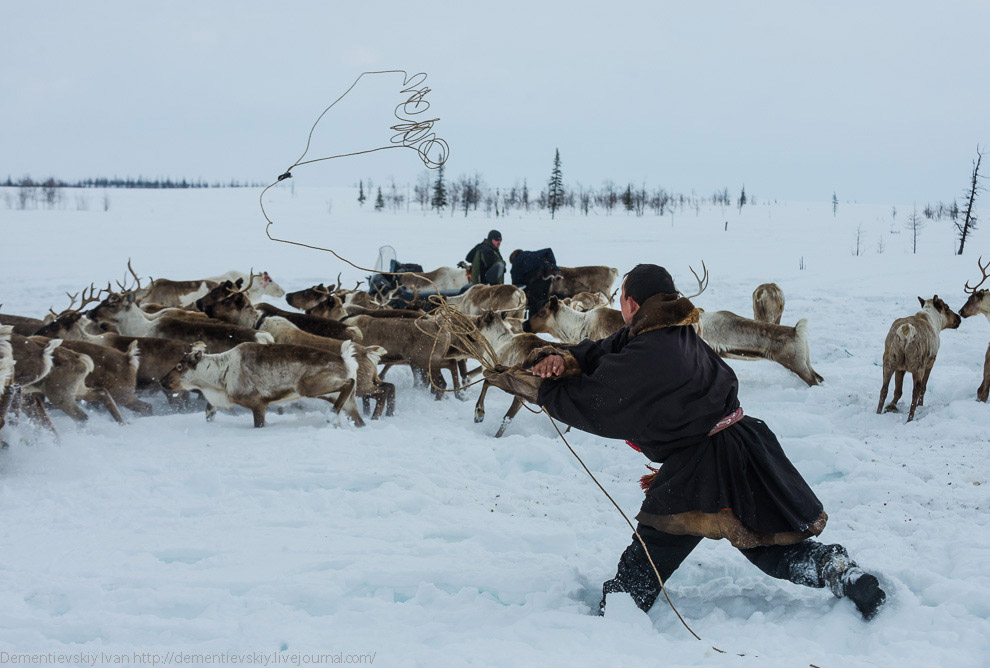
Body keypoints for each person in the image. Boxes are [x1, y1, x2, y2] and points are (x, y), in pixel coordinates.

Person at [529, 264, 886, 620]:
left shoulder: (651, 353)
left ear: (632, 304)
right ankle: (837, 570)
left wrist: (546, 390)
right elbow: (608, 348)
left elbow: (602, 402)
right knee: (768, 543)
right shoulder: (672, 330)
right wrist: (565, 357)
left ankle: (615, 615)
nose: (619, 303)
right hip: (743, 443)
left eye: (621, 297)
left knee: (649, 556)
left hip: (701, 466)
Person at [509, 248, 559, 312]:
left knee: (535, 305)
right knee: (544, 301)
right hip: (549, 275)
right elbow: (548, 250)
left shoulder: (517, 261)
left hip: (537, 279)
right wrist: (552, 264)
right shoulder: (531, 255)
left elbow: (516, 285)